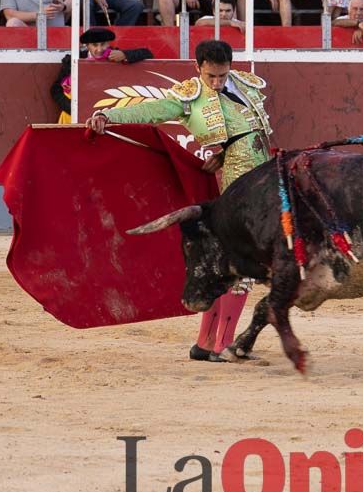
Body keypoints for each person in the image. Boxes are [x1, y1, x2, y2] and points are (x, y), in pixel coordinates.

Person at [87, 39, 273, 364]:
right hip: (231, 185)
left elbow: (255, 130)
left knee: (230, 265)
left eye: (222, 76)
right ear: (197, 67)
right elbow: (151, 109)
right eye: (211, 76)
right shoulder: (189, 97)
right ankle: (222, 346)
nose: (217, 83)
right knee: (242, 264)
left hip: (261, 179)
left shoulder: (244, 83)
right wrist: (108, 114)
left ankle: (206, 344)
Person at [50, 25, 153, 124]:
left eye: (103, 44)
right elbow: (55, 89)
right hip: (76, 112)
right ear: (87, 45)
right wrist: (72, 108)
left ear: (108, 43)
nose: (99, 49)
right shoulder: (73, 60)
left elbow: (147, 53)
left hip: (107, 113)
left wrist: (125, 55)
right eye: (94, 45)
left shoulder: (116, 55)